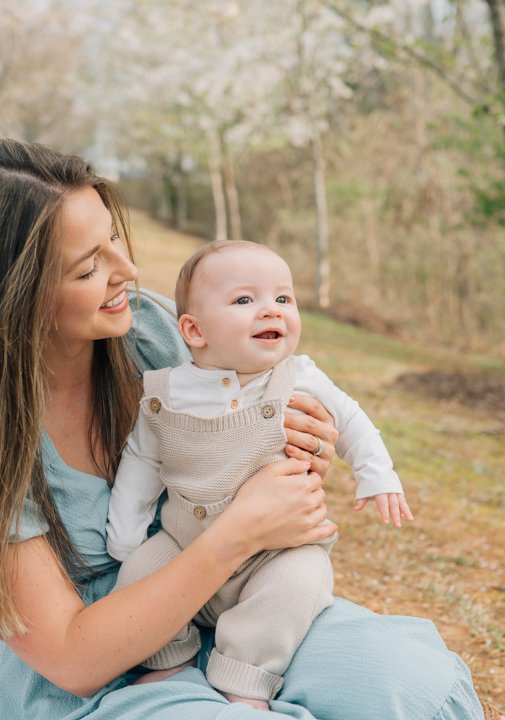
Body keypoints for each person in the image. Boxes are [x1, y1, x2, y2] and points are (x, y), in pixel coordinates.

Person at [0, 138, 491, 720]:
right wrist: (240, 531)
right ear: (6, 296)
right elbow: (72, 657)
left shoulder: (154, 331)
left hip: (234, 609)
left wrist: (307, 443)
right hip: (103, 666)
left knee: (414, 684)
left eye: (114, 239)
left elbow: (267, 406)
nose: (128, 271)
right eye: (88, 269)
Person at [107, 240, 414, 709]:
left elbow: (351, 421)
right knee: (139, 572)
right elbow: (142, 461)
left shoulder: (300, 378)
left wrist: (378, 475)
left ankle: (244, 680)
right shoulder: (166, 392)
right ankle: (170, 662)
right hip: (184, 544)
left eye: (283, 299)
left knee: (300, 581)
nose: (271, 311)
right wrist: (126, 536)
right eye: (245, 300)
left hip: (275, 552)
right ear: (194, 329)